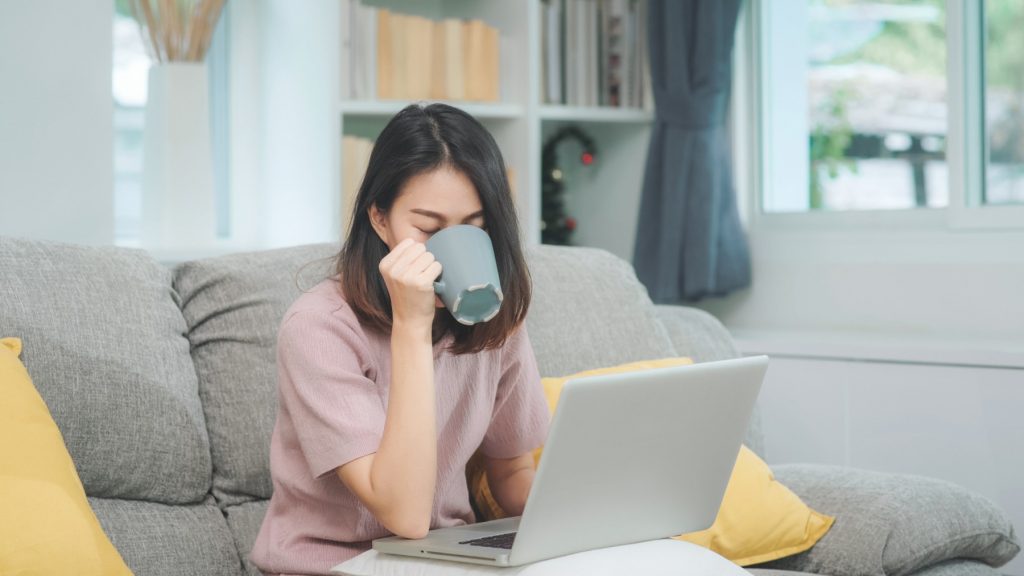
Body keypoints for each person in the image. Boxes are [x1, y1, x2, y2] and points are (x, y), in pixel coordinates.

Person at [251, 103, 551, 576]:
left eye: (475, 227)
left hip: (447, 560)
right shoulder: (320, 328)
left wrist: (596, 521)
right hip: (334, 564)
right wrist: (411, 328)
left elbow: (511, 474)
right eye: (429, 229)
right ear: (379, 218)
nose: (451, 249)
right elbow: (405, 514)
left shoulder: (497, 322)